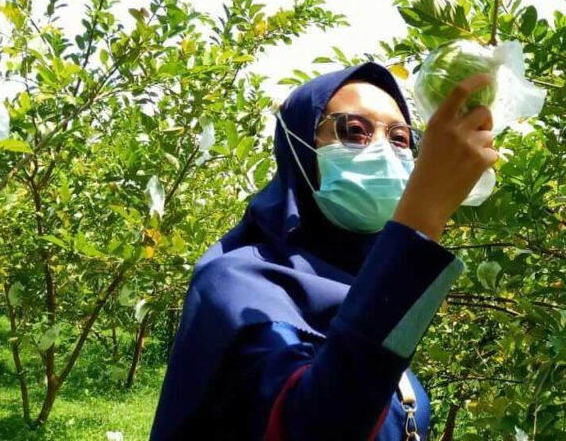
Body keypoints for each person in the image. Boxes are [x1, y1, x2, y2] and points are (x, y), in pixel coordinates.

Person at [149, 61, 497, 440]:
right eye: (353, 131)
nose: (382, 150)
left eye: (400, 138)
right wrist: (421, 220)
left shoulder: (369, 289)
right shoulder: (237, 283)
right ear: (298, 146)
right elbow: (314, 424)